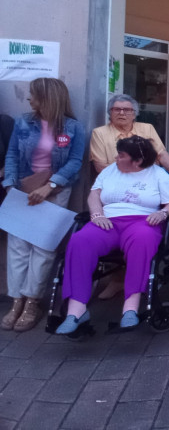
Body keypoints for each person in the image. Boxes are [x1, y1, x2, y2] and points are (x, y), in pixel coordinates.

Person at [55, 136, 169, 334]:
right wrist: (96, 214)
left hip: (143, 221)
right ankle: (76, 311)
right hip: (107, 221)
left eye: (121, 155)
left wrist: (162, 212)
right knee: (80, 240)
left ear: (137, 161)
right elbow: (94, 194)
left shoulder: (158, 174)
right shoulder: (110, 170)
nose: (116, 158)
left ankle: (130, 307)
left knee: (143, 240)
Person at [1, 78, 86, 332]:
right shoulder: (23, 122)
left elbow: (74, 162)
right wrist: (10, 186)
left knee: (43, 247)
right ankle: (16, 301)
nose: (29, 98)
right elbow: (13, 155)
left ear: (48, 97)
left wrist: (49, 186)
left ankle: (32, 303)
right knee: (17, 247)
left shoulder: (73, 127)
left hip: (56, 191)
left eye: (34, 94)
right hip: (23, 190)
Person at [90, 94, 169, 179]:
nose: (121, 113)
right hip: (117, 180)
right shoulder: (99, 133)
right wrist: (137, 172)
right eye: (117, 109)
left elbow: (161, 153)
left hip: (149, 179)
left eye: (127, 110)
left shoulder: (147, 128)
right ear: (110, 113)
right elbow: (100, 167)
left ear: (134, 114)